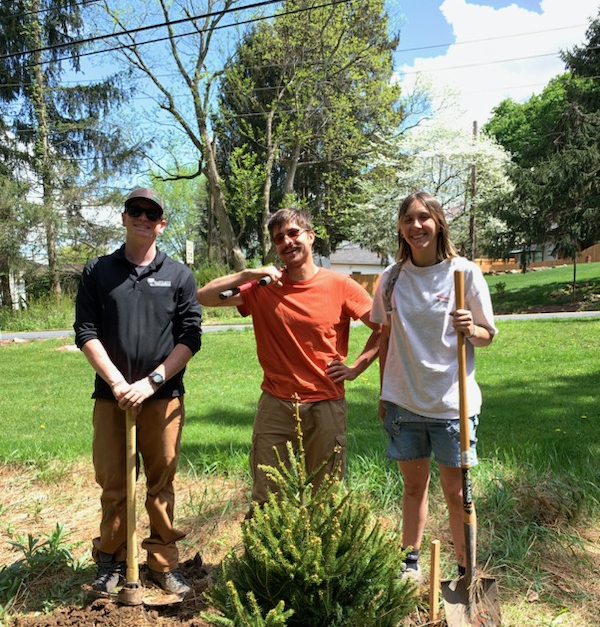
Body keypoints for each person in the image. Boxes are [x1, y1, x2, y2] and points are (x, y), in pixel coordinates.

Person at [196, 207, 381, 511]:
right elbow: (204, 296)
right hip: (276, 405)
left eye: (294, 233)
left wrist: (357, 368)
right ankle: (268, 544)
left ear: (311, 236)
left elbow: (382, 328)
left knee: (325, 494)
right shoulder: (263, 287)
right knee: (267, 495)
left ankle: (318, 543)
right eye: (279, 238)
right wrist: (248, 274)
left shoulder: (340, 285)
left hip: (325, 403)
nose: (287, 242)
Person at [74, 187, 202, 598]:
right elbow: (85, 332)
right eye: (136, 210)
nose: (143, 218)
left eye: (151, 213)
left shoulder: (179, 275)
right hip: (112, 398)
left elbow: (190, 337)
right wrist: (118, 383)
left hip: (162, 398)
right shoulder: (98, 271)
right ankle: (111, 561)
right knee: (114, 484)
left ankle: (163, 563)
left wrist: (151, 383)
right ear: (124, 217)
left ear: (161, 224)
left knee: (160, 484)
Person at [371, 191, 497, 583]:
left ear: (438, 223)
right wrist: (384, 393)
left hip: (452, 404)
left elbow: (487, 335)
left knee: (456, 492)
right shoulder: (391, 279)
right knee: (413, 487)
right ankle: (409, 563)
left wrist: (470, 328)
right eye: (408, 219)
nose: (416, 226)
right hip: (404, 403)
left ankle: (465, 569)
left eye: (424, 217)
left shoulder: (464, 273)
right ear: (400, 227)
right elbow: (385, 338)